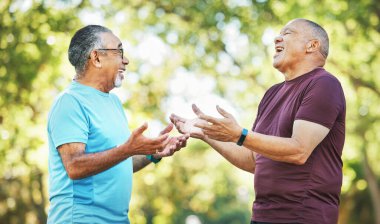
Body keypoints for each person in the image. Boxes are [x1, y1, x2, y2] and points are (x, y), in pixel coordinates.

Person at [170, 18, 346, 224]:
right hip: (263, 216)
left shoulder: (323, 84)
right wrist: (206, 133)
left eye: (287, 33)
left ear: (312, 45)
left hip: (303, 216)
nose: (276, 38)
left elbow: (299, 150)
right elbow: (253, 160)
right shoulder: (272, 94)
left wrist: (240, 134)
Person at [47, 25, 189, 224]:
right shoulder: (70, 102)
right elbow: (75, 166)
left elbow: (117, 163)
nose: (126, 60)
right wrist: (127, 149)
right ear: (96, 58)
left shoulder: (113, 102)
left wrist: (152, 152)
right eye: (119, 51)